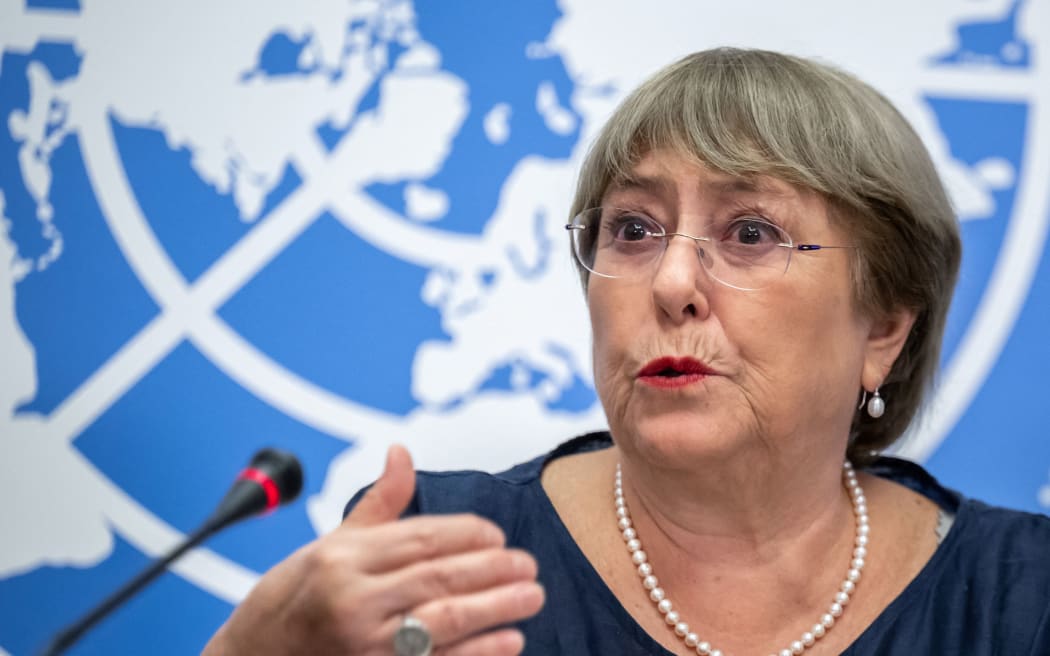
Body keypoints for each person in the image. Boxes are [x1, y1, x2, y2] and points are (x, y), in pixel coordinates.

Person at [203, 48, 1050, 656]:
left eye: (750, 232)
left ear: (882, 330)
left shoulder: (1024, 599)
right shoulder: (434, 556)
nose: (672, 279)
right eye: (634, 229)